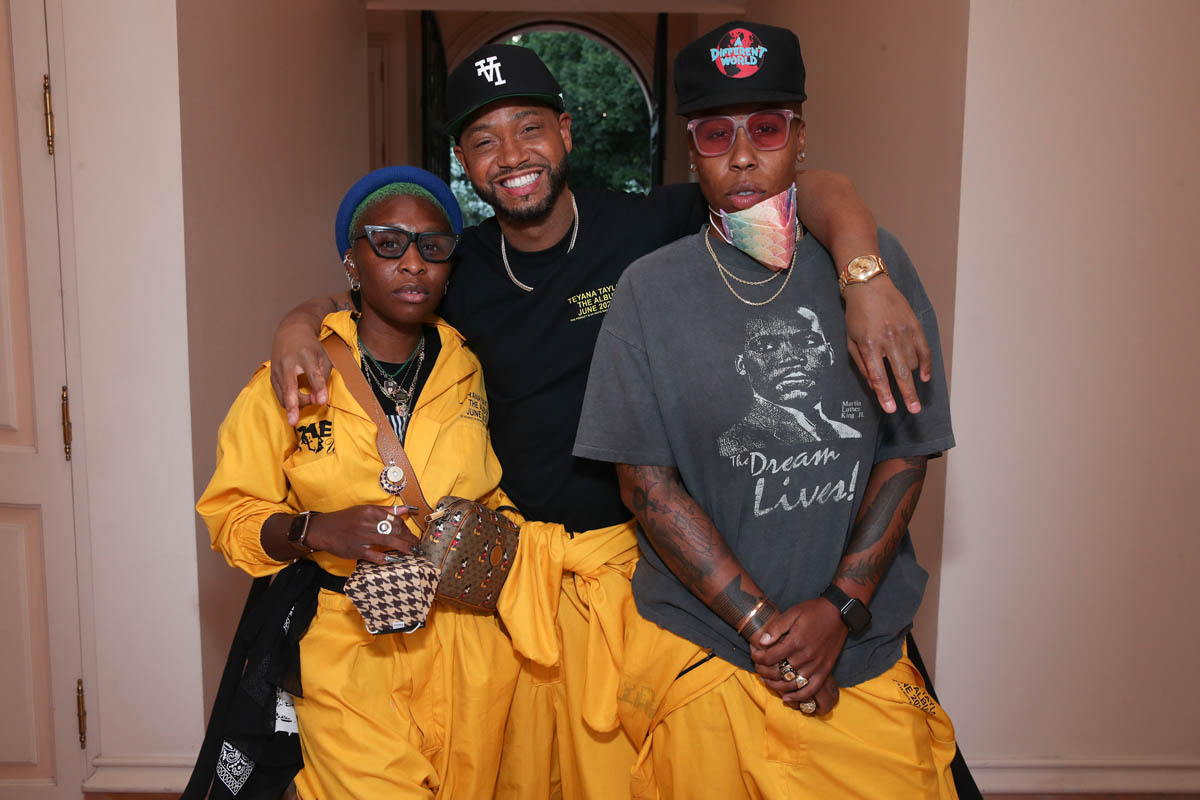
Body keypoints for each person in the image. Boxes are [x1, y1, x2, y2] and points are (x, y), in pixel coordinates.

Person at [266, 44, 940, 800]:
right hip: (517, 574)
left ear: (566, 133)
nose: (511, 155)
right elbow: (378, 292)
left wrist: (863, 271)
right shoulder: (461, 266)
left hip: (643, 565)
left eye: (529, 128)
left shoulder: (649, 226)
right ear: (463, 161)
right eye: (484, 140)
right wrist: (297, 325)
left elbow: (803, 187)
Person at [574, 21, 962, 798]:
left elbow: (907, 449)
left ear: (800, 138)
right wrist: (765, 630)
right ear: (692, 151)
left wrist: (838, 610)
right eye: (717, 134)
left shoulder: (874, 270)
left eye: (768, 129)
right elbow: (647, 488)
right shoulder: (650, 290)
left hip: (860, 649)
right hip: (709, 647)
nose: (744, 155)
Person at [196, 166, 528, 799]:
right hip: (348, 644)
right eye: (388, 243)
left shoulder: (470, 368)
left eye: (433, 246)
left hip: (469, 646)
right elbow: (232, 516)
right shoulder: (291, 378)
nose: (413, 263)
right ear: (352, 261)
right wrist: (317, 528)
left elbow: (495, 490)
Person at [717, 307, 862, 456]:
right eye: (766, 346)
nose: (792, 357)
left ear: (830, 354)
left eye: (808, 341)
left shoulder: (849, 434)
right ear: (742, 365)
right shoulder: (736, 443)